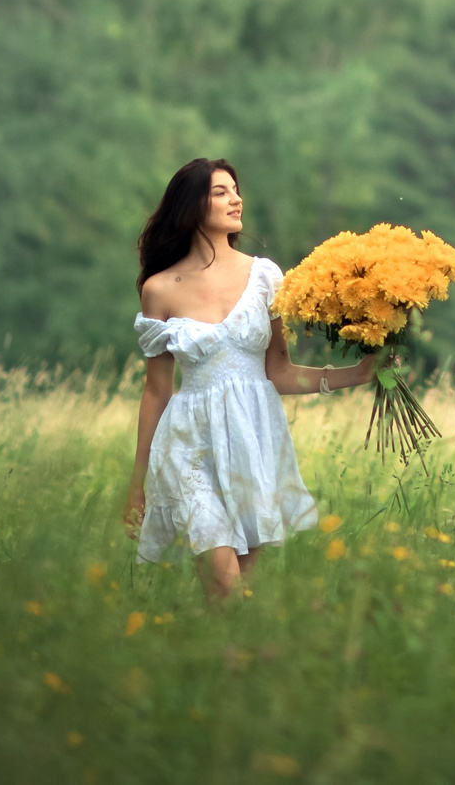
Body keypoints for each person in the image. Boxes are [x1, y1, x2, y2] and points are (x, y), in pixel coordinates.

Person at [123, 157, 381, 596]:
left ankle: (221, 661)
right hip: (189, 443)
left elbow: (278, 372)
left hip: (254, 439)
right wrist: (138, 483)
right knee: (224, 581)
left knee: (235, 595)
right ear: (190, 205)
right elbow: (156, 390)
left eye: (236, 190)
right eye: (220, 191)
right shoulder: (160, 288)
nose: (236, 199)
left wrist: (356, 373)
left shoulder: (265, 276)